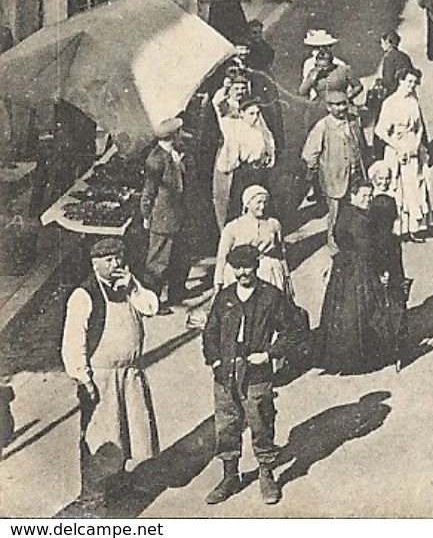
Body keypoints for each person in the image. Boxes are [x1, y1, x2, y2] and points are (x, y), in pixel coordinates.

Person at [203, 243, 308, 506]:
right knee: (227, 424)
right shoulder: (225, 297)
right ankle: (229, 476)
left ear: (256, 266)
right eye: (237, 267)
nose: (242, 272)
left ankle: (266, 473)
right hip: (226, 371)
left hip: (256, 372)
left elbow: (295, 329)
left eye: (247, 266)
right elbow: (210, 332)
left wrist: (270, 353)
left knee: (260, 422)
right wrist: (215, 360)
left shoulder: (270, 297)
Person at [62, 238, 160, 514]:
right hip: (101, 377)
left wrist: (134, 286)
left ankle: (118, 484)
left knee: (128, 432)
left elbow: (151, 307)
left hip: (129, 375)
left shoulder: (127, 286)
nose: (116, 264)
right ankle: (93, 497)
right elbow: (73, 341)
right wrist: (83, 379)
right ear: (95, 264)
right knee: (100, 438)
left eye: (118, 258)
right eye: (109, 260)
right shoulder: (85, 294)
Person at [317, 172, 404, 374]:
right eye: (363, 196)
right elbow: (368, 249)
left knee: (342, 313)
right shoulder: (360, 220)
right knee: (363, 311)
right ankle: (361, 356)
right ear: (353, 196)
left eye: (369, 196)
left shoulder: (345, 213)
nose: (367, 200)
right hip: (360, 268)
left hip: (343, 267)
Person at [301, 88, 371, 244]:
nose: (341, 108)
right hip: (335, 180)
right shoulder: (322, 127)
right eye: (337, 105)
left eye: (343, 104)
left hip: (356, 177)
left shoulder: (353, 121)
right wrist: (321, 172)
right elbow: (309, 154)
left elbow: (361, 146)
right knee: (336, 215)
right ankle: (335, 248)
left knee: (358, 209)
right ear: (328, 107)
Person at [141, 117, 191, 312]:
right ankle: (152, 301)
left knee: (180, 256)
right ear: (173, 136)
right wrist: (146, 215)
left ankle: (177, 292)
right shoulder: (155, 159)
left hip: (178, 215)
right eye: (179, 133)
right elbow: (149, 191)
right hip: (163, 218)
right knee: (158, 261)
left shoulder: (175, 153)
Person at [212, 82, 277, 230]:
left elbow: (267, 136)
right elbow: (218, 104)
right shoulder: (232, 125)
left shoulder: (258, 123)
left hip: (259, 169)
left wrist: (269, 154)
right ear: (242, 114)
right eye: (251, 114)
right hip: (244, 171)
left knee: (260, 202)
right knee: (237, 204)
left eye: (257, 114)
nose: (255, 117)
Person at [377, 69, 431, 241]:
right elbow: (380, 131)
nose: (411, 86)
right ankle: (397, 228)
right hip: (396, 148)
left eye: (414, 83)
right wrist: (398, 147)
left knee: (416, 186)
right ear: (400, 80)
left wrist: (416, 144)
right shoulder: (390, 103)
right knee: (398, 188)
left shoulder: (414, 101)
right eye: (408, 82)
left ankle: (415, 227)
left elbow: (420, 126)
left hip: (413, 147)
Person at [213, 185, 292, 296]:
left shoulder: (273, 224)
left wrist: (287, 278)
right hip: (242, 274)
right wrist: (218, 284)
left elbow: (281, 253)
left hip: (268, 273)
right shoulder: (233, 227)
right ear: (247, 203)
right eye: (258, 202)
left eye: (265, 202)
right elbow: (222, 258)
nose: (262, 206)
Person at [298, 30, 353, 101]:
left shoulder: (340, 64)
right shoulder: (309, 63)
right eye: (315, 48)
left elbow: (349, 88)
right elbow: (304, 90)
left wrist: (344, 99)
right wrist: (312, 77)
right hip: (318, 101)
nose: (319, 52)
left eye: (323, 47)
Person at [376, 32, 413, 99]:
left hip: (395, 93)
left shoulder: (389, 58)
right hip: (408, 90)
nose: (381, 45)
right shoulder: (405, 56)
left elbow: (388, 81)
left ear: (388, 43)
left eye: (382, 43)